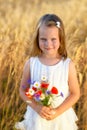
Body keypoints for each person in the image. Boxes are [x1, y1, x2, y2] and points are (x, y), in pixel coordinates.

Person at [15, 14, 80, 130]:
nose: (48, 44)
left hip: (61, 118)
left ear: (61, 39)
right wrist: (36, 107)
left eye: (53, 39)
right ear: (37, 39)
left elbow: (75, 93)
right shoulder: (31, 63)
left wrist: (57, 111)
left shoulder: (67, 65)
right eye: (43, 39)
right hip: (37, 117)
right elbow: (23, 90)